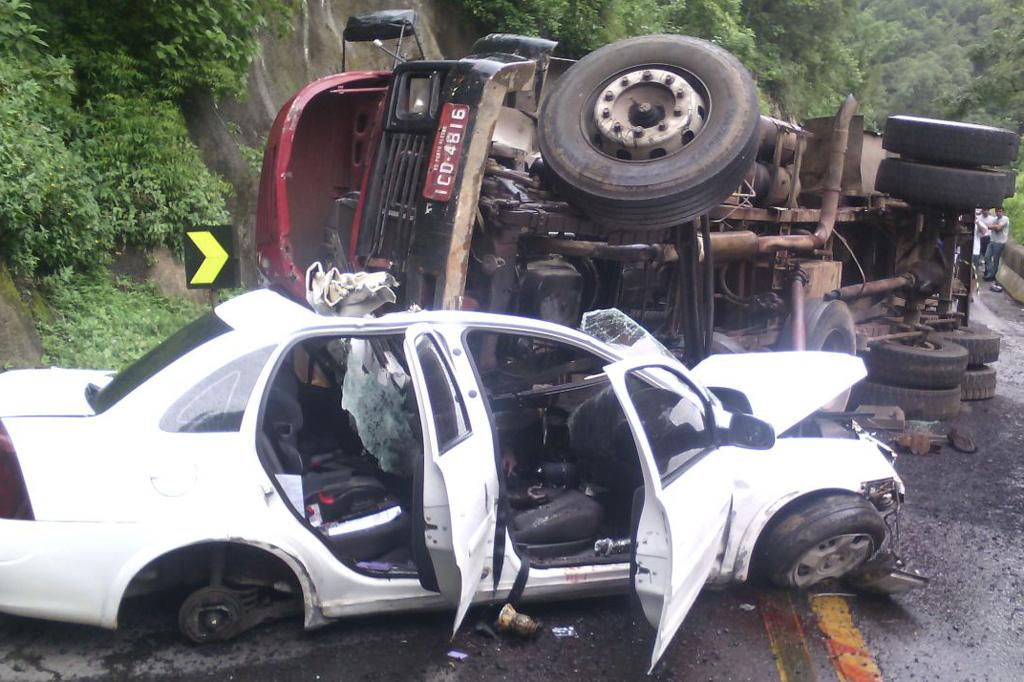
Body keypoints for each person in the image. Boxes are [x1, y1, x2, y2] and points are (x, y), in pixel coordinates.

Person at [985, 206, 1010, 291]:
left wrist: (994, 226)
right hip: (992, 241)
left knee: (996, 259)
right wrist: (995, 226)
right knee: (987, 257)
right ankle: (991, 273)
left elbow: (999, 228)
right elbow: (988, 227)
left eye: (1000, 211)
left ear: (1003, 212)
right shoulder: (994, 219)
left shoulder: (1005, 219)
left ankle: (992, 276)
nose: (998, 213)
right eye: (997, 211)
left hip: (1000, 242)